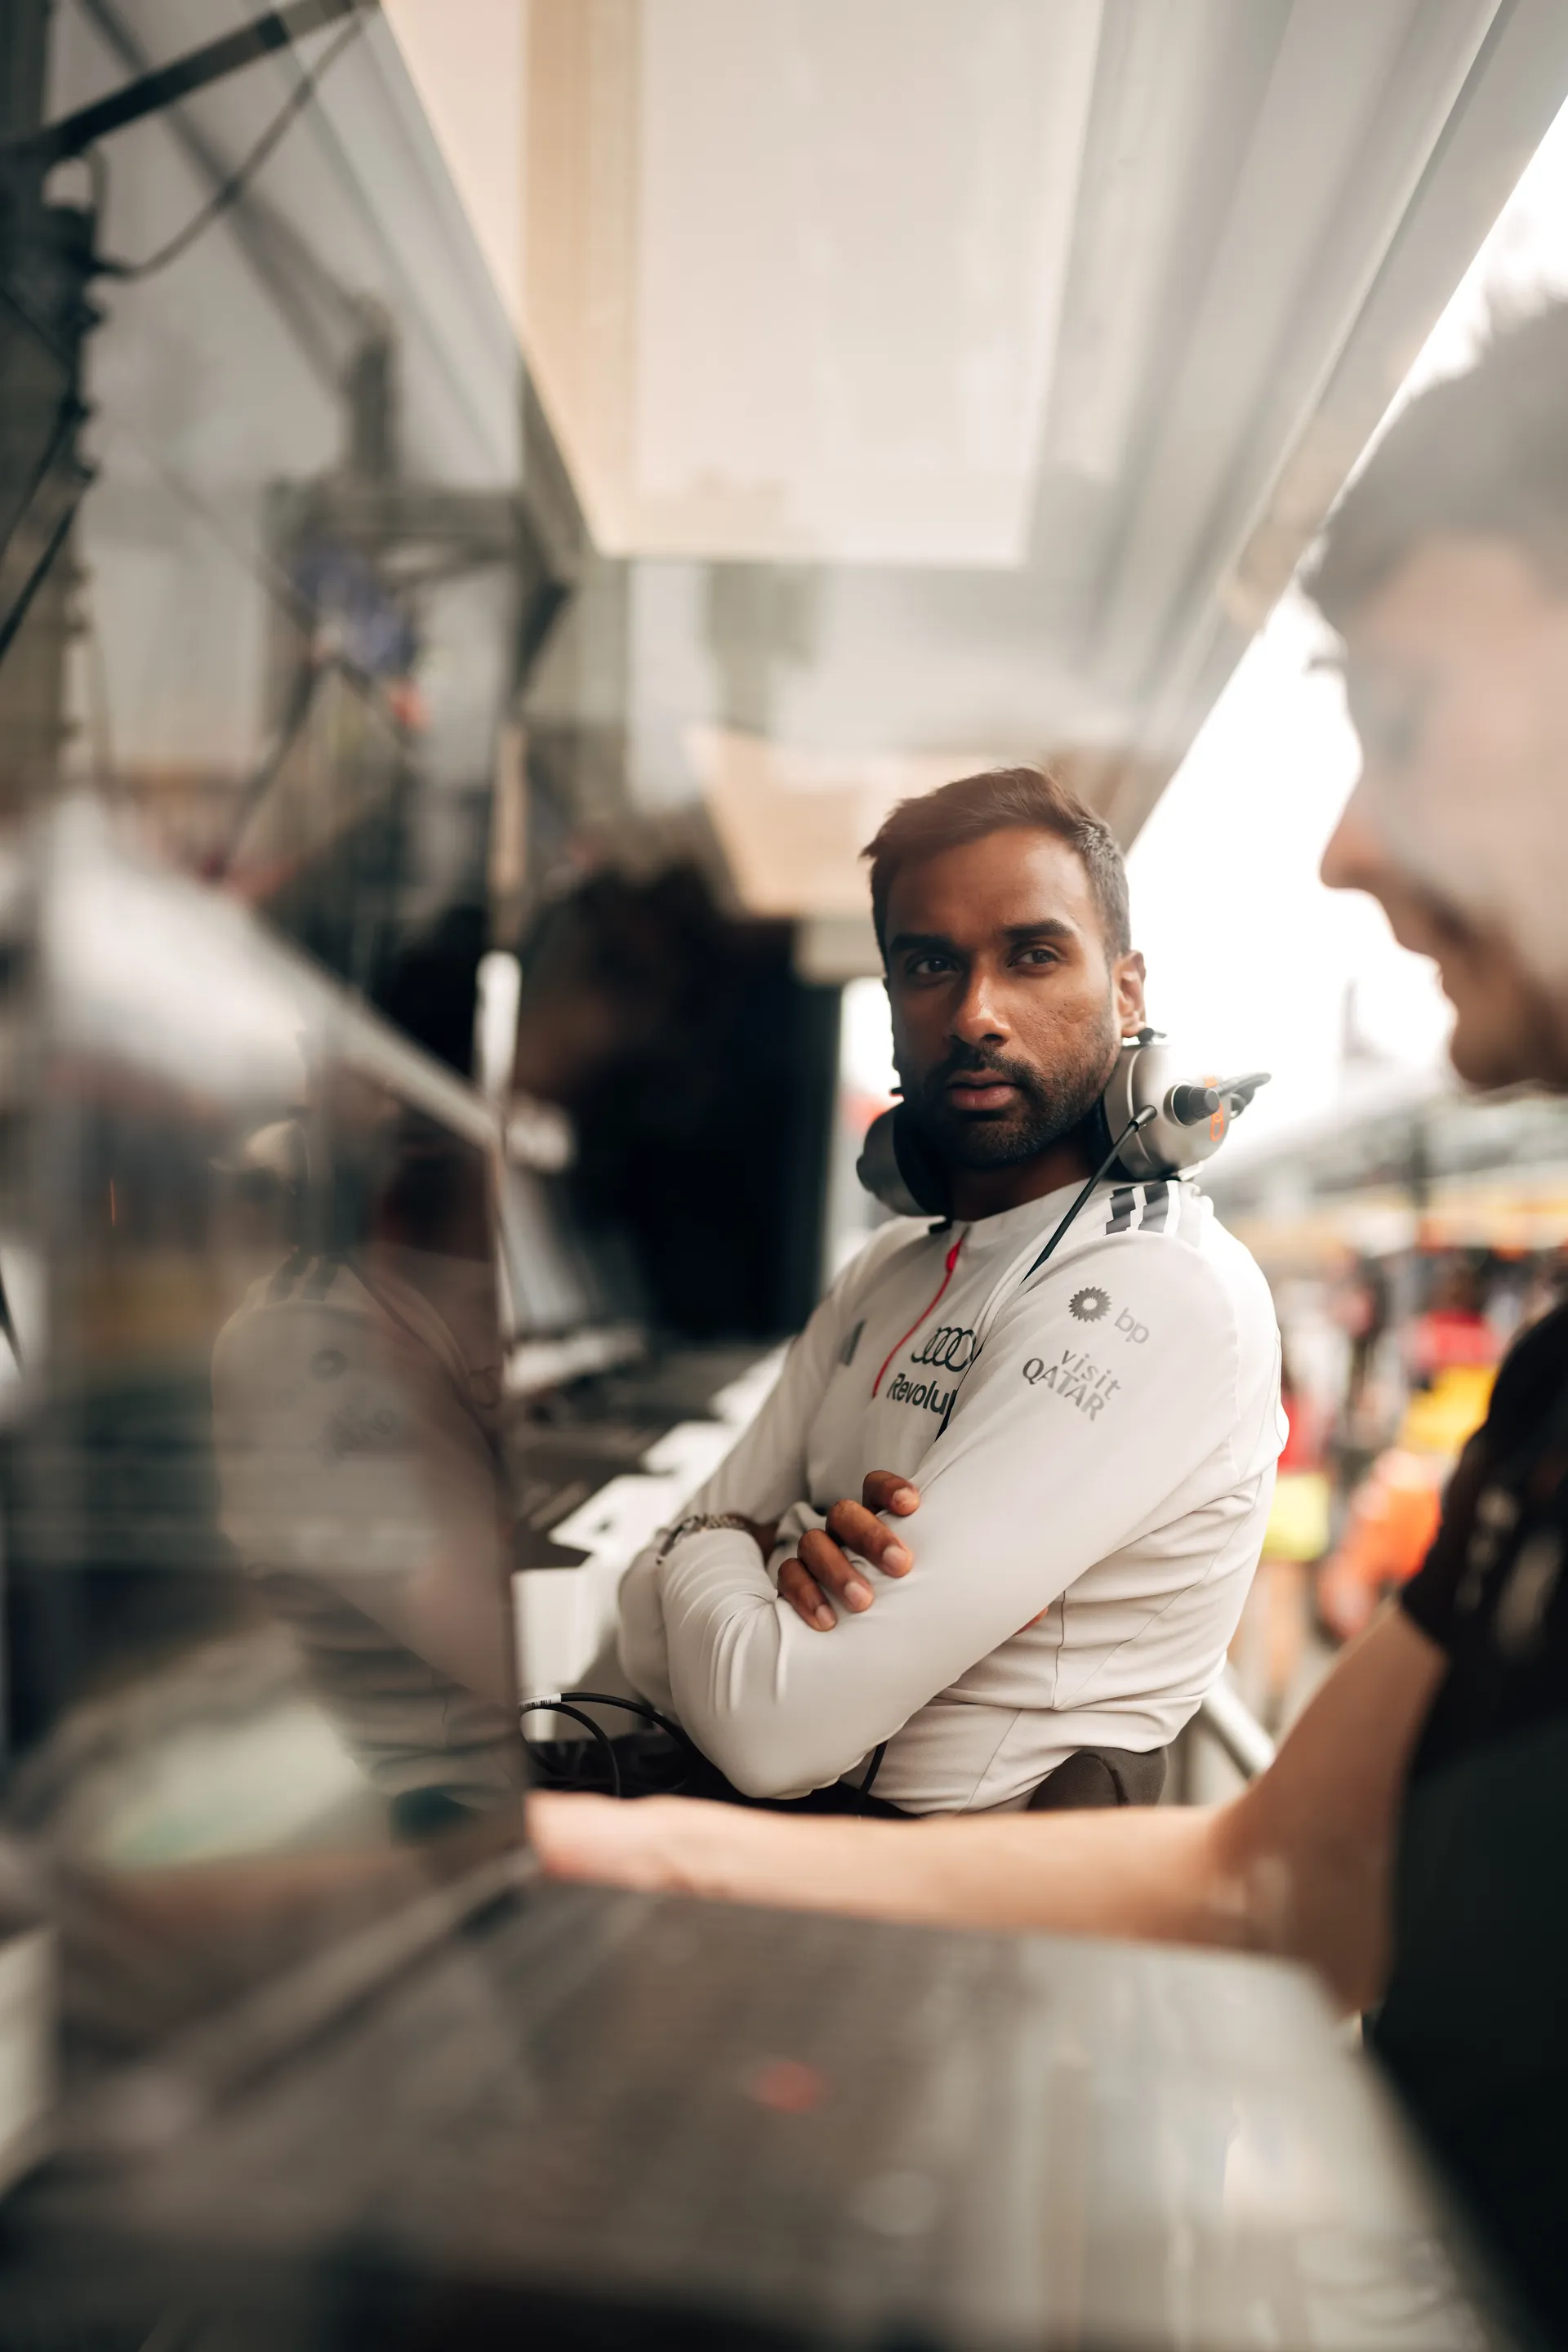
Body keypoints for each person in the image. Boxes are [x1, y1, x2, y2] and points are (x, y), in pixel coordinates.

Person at [533, 301, 1568, 2337]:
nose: (1348, 838)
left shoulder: (1162, 1298)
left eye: (1421, 709)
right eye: (929, 967)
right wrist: (555, 1862)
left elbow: (772, 1695)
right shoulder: (1553, 1388)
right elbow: (1275, 1878)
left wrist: (708, 1624)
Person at [608, 766, 1284, 1812]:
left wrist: (725, 1539)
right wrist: (731, 1557)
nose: (976, 1013)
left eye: (1033, 955)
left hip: (961, 1921)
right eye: (930, 964)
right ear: (890, 1002)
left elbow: (771, 1726)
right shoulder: (890, 1267)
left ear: (1129, 989)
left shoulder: (1160, 1287)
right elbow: (638, 1620)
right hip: (780, 1861)